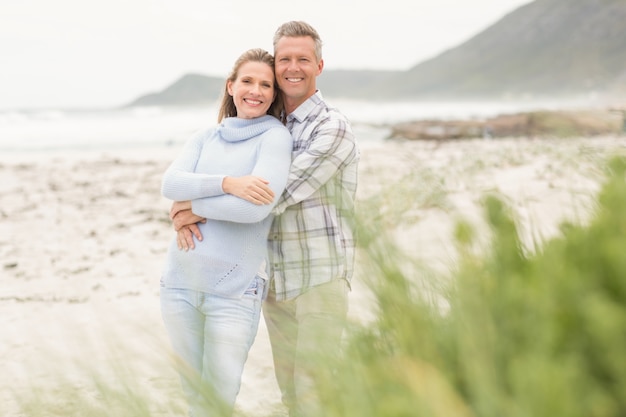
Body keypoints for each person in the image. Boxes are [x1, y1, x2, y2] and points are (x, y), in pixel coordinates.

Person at [174, 21, 360, 417]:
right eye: (285, 59)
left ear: (319, 66)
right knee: (292, 396)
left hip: (319, 276)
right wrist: (193, 197)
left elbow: (270, 195)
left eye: (303, 59)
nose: (293, 67)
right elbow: (226, 179)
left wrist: (194, 206)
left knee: (316, 394)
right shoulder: (266, 127)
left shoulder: (332, 126)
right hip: (274, 281)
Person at [160, 48, 293, 417]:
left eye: (266, 84)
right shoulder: (205, 137)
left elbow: (255, 208)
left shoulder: (274, 138)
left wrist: (193, 207)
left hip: (234, 294)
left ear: (274, 94)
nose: (256, 90)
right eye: (248, 81)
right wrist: (229, 183)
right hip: (179, 286)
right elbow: (171, 183)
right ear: (231, 86)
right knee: (193, 400)